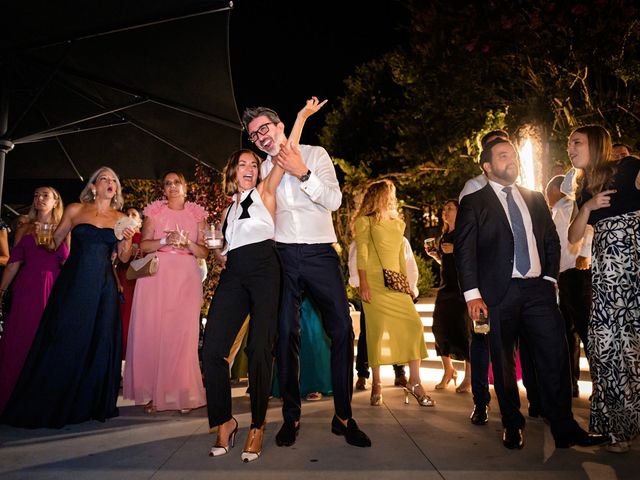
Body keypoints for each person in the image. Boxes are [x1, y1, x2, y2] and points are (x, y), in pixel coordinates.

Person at [454, 137, 607, 450]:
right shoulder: (475, 201)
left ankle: (563, 426)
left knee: (555, 353)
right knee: (504, 362)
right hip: (498, 292)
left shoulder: (535, 198)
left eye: (512, 154)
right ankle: (512, 423)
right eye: (502, 155)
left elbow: (551, 240)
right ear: (487, 166)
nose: (511, 159)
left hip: (538, 289)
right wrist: (472, 295)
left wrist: (549, 277)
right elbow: (464, 251)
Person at [204, 97, 324, 462]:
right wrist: (217, 249)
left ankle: (256, 424)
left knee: (260, 349)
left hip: (266, 269)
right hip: (235, 272)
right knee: (211, 350)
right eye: (242, 164)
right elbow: (223, 247)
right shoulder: (225, 210)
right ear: (231, 172)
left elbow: (286, 149)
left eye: (253, 164)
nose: (249, 168)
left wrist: (300, 116)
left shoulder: (265, 192)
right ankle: (224, 422)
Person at [244, 102, 371, 448]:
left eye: (264, 129)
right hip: (282, 256)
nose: (260, 138)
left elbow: (334, 200)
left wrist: (302, 172)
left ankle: (344, 417)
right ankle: (291, 416)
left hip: (319, 252)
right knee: (286, 334)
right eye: (254, 135)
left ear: (279, 124)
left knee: (342, 329)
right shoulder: (263, 170)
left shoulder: (315, 155)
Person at [1, 167, 136, 428]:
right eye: (104, 178)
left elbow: (124, 258)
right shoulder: (75, 210)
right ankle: (55, 399)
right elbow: (53, 244)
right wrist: (42, 235)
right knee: (65, 337)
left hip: (103, 286)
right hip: (74, 282)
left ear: (117, 189)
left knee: (97, 341)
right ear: (94, 186)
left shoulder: (121, 218)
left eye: (114, 180)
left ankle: (88, 402)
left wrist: (127, 240)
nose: (110, 182)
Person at [458, 129, 541, 427]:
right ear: (487, 157)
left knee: (525, 342)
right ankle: (481, 403)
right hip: (484, 288)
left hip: (519, 284)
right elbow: (467, 242)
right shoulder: (473, 188)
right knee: (481, 342)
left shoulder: (520, 189)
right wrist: (474, 292)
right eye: (496, 147)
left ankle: (534, 398)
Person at [567, 125, 640, 453]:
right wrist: (588, 206)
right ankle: (617, 431)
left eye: (576, 142)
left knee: (634, 347)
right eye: (569, 144)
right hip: (608, 276)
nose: (570, 148)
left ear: (595, 144)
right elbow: (573, 237)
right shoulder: (584, 187)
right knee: (604, 347)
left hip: (635, 268)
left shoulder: (629, 167)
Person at [124, 171, 208, 414]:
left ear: (185, 187)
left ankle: (182, 393)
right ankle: (153, 393)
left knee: (183, 334)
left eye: (177, 182)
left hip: (186, 276)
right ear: (163, 189)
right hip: (157, 277)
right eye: (167, 183)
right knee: (155, 332)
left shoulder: (197, 214)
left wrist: (186, 243)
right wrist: (165, 241)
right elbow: (143, 245)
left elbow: (203, 252)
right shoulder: (155, 212)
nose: (172, 186)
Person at [354, 179, 431, 408]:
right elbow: (362, 255)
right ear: (380, 195)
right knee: (377, 334)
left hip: (395, 284)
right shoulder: (364, 222)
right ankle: (376, 384)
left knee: (414, 325)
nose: (392, 198)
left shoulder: (398, 224)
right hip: (375, 284)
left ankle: (415, 382)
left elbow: (400, 258)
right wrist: (364, 284)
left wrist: (407, 287)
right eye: (390, 194)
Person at [0, 186, 68, 413]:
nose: (39, 198)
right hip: (27, 287)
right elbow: (13, 263)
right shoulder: (25, 228)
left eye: (45, 195)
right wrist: (1, 290)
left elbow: (68, 263)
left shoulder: (65, 228)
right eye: (36, 195)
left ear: (56, 201)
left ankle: (44, 397)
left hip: (53, 286)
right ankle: (15, 395)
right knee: (21, 336)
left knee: (49, 339)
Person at [545, 175, 593, 397]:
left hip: (577, 272)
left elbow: (590, 227)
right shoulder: (556, 210)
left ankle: (599, 383)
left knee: (585, 329)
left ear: (556, 189)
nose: (547, 198)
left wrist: (585, 254)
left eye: (548, 192)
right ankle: (571, 383)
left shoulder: (571, 204)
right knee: (567, 331)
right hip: (564, 274)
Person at [350, 239, 417, 391]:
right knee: (368, 333)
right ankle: (362, 374)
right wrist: (358, 284)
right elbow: (355, 259)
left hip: (395, 290)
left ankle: (400, 372)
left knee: (397, 332)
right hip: (372, 291)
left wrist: (411, 289)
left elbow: (409, 264)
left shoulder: (399, 236)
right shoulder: (363, 237)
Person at [425, 200, 471, 393]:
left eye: (450, 209)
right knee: (438, 328)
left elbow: (472, 257)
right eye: (444, 209)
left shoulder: (465, 234)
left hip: (462, 289)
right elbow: (448, 262)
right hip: (446, 288)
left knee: (463, 331)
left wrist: (456, 250)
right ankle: (449, 370)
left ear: (459, 212)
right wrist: (436, 256)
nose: (445, 212)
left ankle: (469, 377)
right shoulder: (444, 235)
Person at [114, 207, 143, 357]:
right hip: (123, 280)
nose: (130, 217)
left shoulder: (145, 238)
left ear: (140, 221)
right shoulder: (118, 236)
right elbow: (114, 261)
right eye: (127, 215)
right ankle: (121, 355)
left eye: (134, 215)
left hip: (141, 282)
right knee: (123, 317)